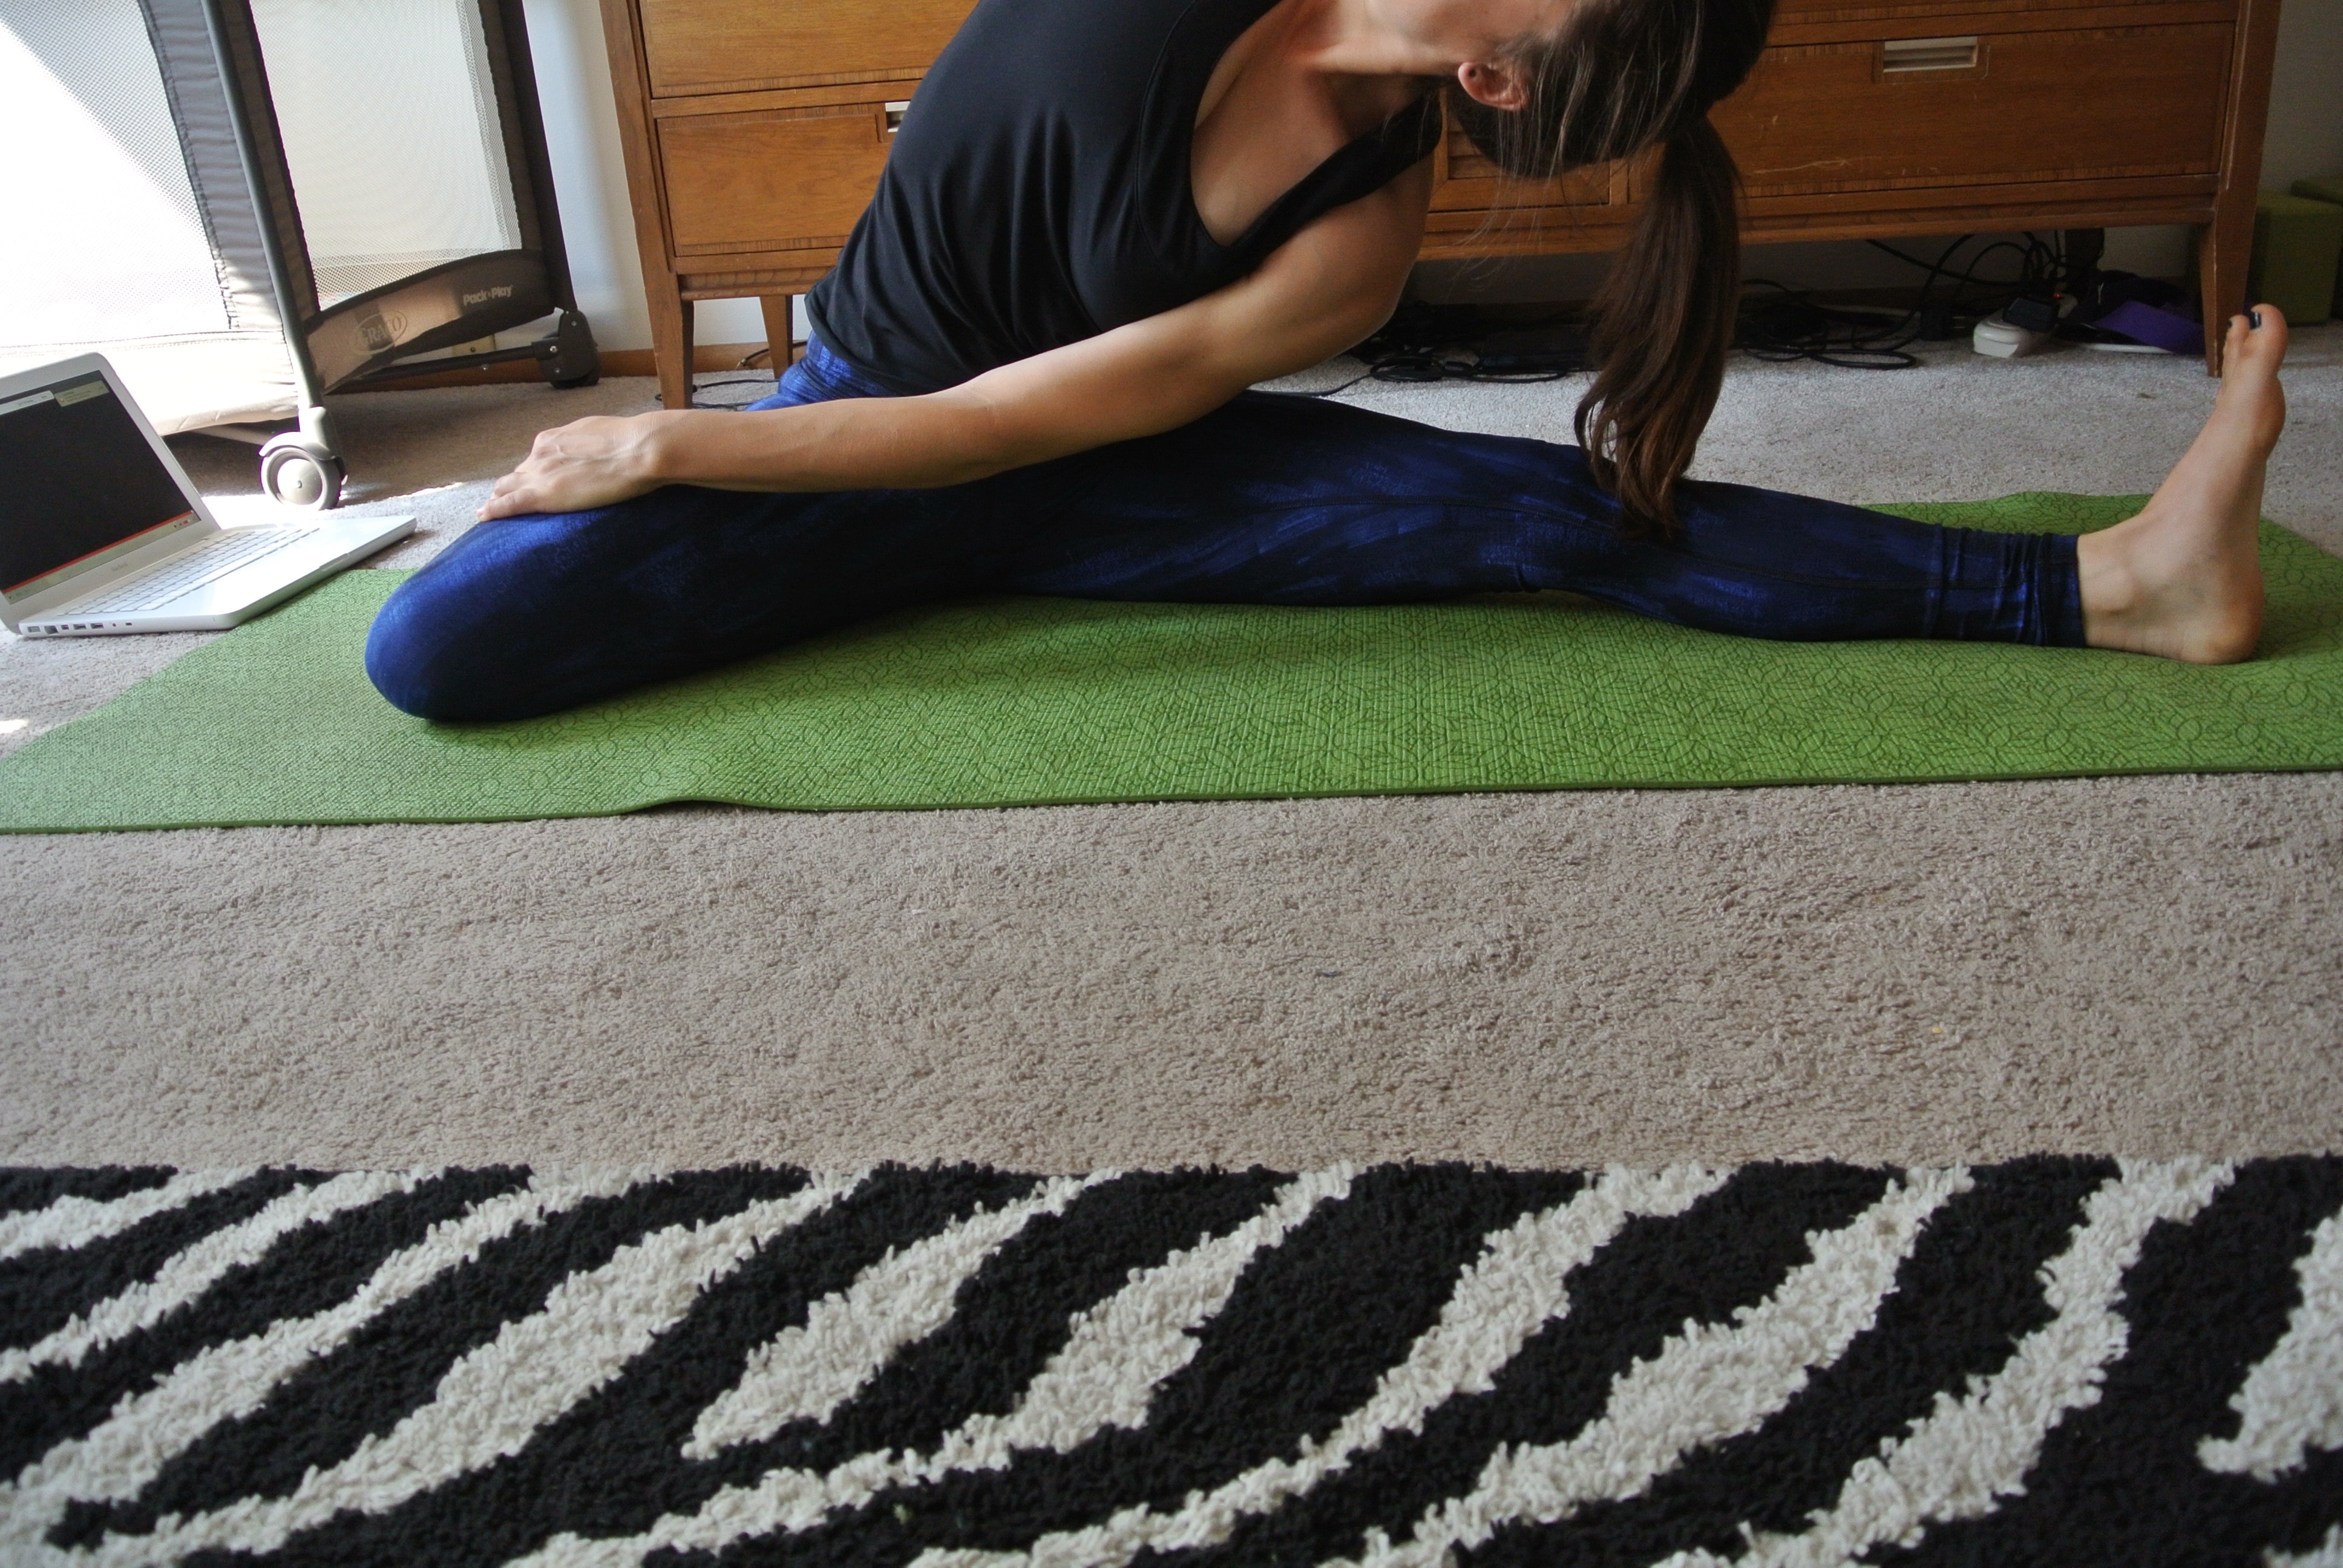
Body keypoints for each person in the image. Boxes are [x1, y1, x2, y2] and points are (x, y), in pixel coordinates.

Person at [363, 0, 2290, 724]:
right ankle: (866, 561)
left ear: (1499, 73)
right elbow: (923, 406)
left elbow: (1000, 423)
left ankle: (2107, 587)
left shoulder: (1351, 244)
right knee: (434, 649)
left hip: (1046, 465)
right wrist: (713, 454)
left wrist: (672, 449)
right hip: (864, 417)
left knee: (1565, 517)